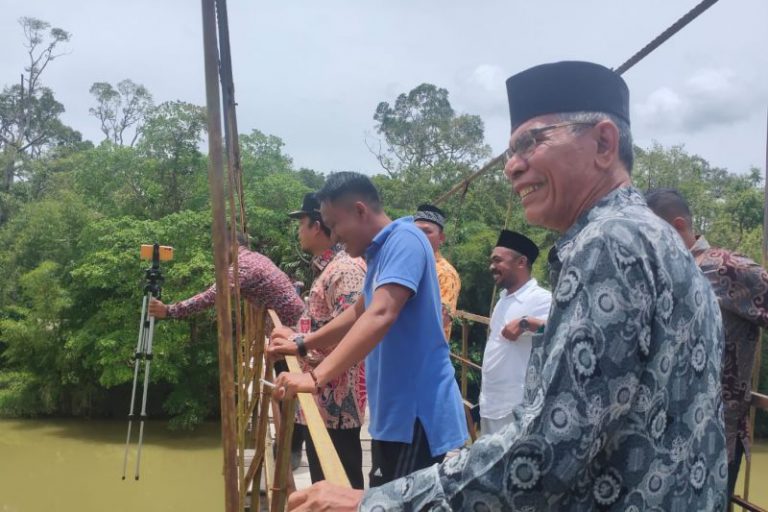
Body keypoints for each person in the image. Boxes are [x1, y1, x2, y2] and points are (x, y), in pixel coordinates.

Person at [284, 61, 727, 512]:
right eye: (511, 150)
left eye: (531, 143)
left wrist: (377, 504)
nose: (512, 167)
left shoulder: (609, 242)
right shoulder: (659, 239)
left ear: (603, 143)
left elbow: (544, 451)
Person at [268, 172, 468, 488]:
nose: (332, 237)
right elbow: (359, 311)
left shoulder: (405, 240)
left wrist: (315, 377)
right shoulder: (379, 252)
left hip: (416, 415)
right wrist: (303, 344)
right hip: (393, 414)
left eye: (334, 225)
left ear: (360, 210)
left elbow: (381, 313)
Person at [646, 187, 768, 497]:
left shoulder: (726, 267)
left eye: (649, 234)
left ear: (677, 227)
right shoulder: (662, 275)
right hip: (660, 438)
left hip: (714, 442)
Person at [281, 192, 367, 489]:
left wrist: (302, 345)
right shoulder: (328, 268)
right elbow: (328, 323)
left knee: (341, 486)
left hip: (338, 406)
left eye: (302, 223)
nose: (299, 230)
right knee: (324, 486)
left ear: (317, 226)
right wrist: (296, 336)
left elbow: (356, 330)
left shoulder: (345, 270)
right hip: (321, 399)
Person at [148, 231, 303, 327]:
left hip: (293, 331)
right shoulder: (256, 258)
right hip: (297, 322)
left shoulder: (242, 266)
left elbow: (211, 296)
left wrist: (169, 311)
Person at [479, 230, 551, 436]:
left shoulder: (541, 299)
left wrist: (526, 323)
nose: (492, 267)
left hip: (516, 405)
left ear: (521, 262)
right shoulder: (503, 299)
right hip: (490, 402)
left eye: (498, 260)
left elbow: (561, 331)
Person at [414, 203, 461, 341]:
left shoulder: (445, 273)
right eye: (416, 231)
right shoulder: (408, 265)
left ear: (441, 238)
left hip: (425, 356)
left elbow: (440, 320)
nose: (420, 236)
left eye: (427, 232)